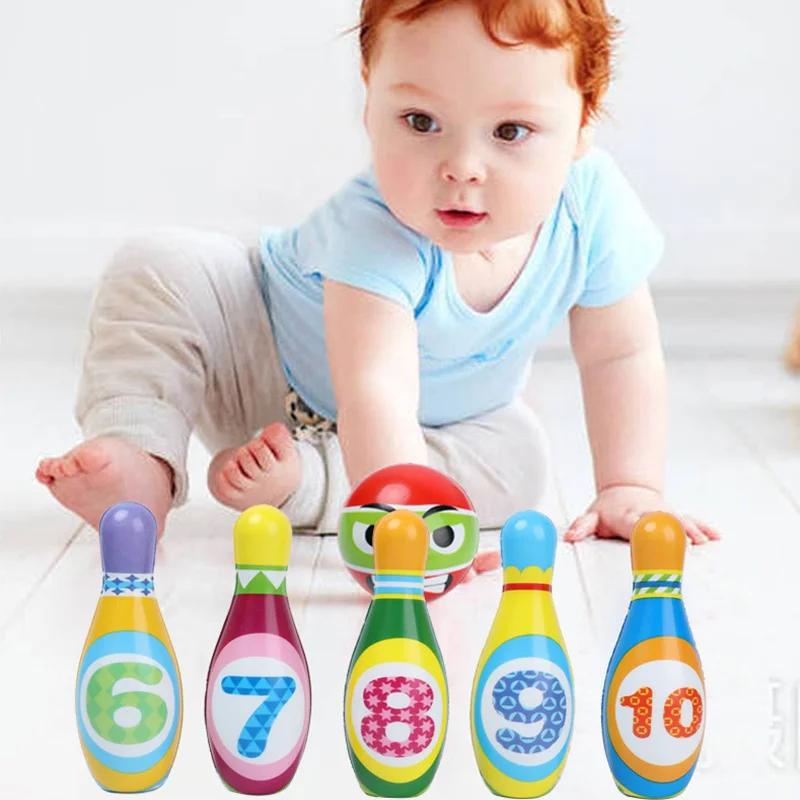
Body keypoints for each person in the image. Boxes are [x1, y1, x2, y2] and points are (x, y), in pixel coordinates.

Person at [35, 0, 720, 548]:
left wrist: (630, 485)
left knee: (520, 462)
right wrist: (408, 527)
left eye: (510, 132)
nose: (462, 166)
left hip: (429, 429)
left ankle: (308, 484)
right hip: (257, 359)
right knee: (162, 265)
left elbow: (620, 352)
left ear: (583, 126)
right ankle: (139, 458)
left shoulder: (592, 209)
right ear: (371, 104)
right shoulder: (375, 226)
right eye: (420, 121)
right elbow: (377, 386)